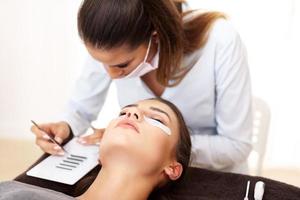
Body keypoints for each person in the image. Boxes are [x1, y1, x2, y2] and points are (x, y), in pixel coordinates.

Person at [31, 0, 252, 172]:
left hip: (213, 172)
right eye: (102, 63)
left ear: (155, 37)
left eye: (122, 65)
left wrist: (155, 142)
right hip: (146, 170)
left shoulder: (220, 41)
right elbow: (80, 109)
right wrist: (65, 127)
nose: (112, 75)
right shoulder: (110, 43)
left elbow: (236, 146)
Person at [0, 98, 192, 200]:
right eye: (123, 112)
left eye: (157, 119)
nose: (131, 113)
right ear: (99, 153)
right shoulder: (13, 192)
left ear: (172, 169)